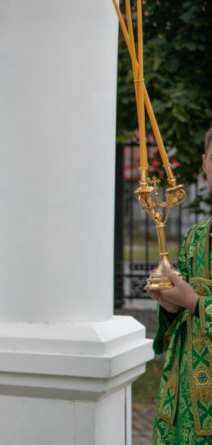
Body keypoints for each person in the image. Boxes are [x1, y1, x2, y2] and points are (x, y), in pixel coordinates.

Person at [148, 127, 212, 444]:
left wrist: (195, 302)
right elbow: (180, 320)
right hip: (184, 400)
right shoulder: (195, 237)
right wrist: (170, 305)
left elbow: (194, 303)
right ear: (204, 163)